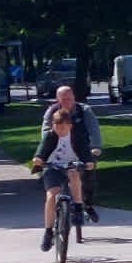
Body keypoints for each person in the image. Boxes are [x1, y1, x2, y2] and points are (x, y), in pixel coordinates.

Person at [31, 108, 94, 252]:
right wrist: (39, 159)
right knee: (52, 195)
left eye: (63, 128)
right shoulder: (50, 136)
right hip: (52, 167)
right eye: (57, 127)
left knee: (74, 176)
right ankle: (48, 232)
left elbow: (85, 151)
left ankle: (78, 208)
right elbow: (42, 150)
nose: (60, 130)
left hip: (72, 166)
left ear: (70, 126)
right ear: (53, 125)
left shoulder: (77, 136)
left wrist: (88, 161)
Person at [41, 85, 102, 221]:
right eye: (63, 99)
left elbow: (94, 130)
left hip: (82, 148)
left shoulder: (84, 110)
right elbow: (45, 131)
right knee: (54, 176)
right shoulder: (52, 111)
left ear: (74, 97)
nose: (67, 102)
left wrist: (95, 147)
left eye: (70, 98)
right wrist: (46, 149)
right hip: (59, 149)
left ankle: (88, 204)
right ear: (58, 99)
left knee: (88, 175)